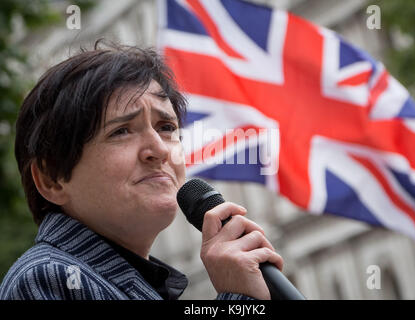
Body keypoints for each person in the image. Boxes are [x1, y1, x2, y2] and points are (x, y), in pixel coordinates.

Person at [0, 41, 283, 300]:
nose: (159, 149)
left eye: (166, 128)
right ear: (52, 179)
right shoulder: (48, 279)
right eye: (121, 131)